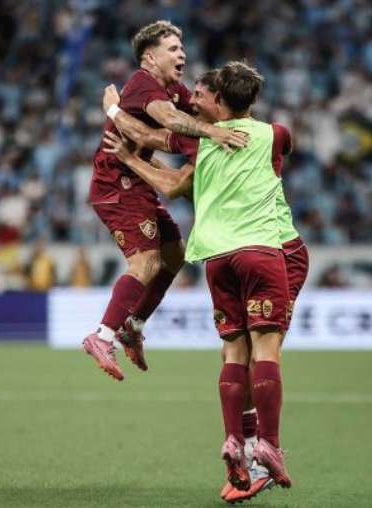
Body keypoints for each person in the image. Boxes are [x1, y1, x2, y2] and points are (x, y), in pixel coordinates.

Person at [102, 61, 298, 498]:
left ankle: (235, 438)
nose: (192, 99)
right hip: (263, 250)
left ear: (221, 102)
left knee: (234, 351)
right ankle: (267, 444)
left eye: (202, 95)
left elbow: (156, 141)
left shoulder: (197, 146)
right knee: (265, 349)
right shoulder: (276, 135)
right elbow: (279, 149)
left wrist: (116, 118)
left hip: (215, 257)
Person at [83, 20, 247, 381]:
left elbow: (200, 110)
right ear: (149, 57)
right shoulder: (144, 84)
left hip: (138, 180)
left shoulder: (175, 90)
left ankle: (133, 324)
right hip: (117, 184)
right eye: (173, 48)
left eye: (182, 47)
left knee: (174, 255)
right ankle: (102, 336)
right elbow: (171, 121)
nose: (182, 54)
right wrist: (212, 131)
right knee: (145, 261)